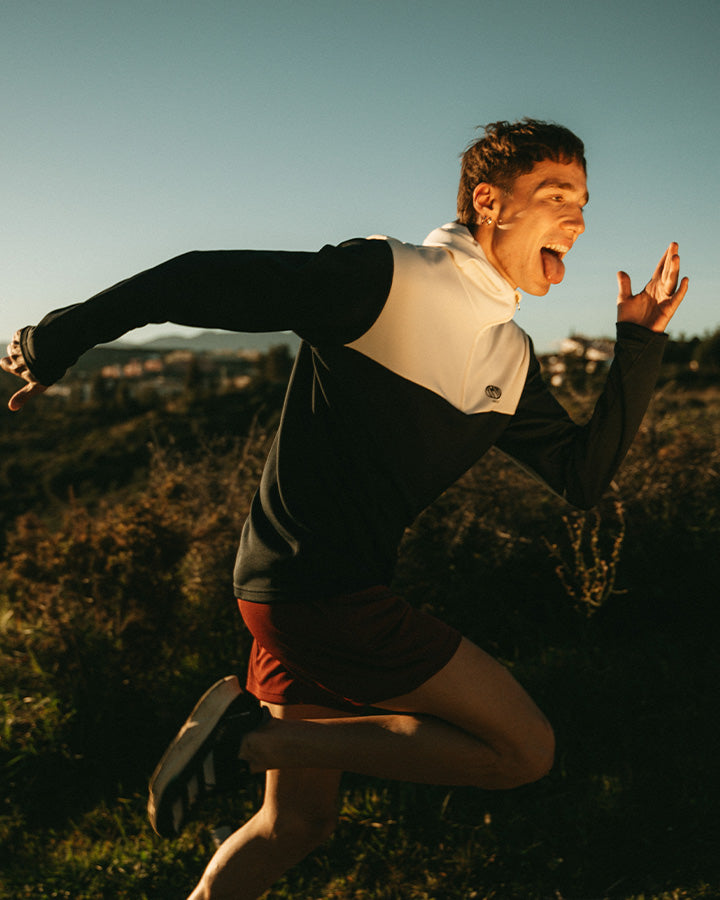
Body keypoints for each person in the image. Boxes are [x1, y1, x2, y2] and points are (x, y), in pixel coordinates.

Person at [1, 119, 688, 900]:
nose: (578, 218)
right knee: (522, 751)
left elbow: (582, 474)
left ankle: (253, 753)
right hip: (323, 599)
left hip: (293, 598)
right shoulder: (386, 278)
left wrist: (640, 345)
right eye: (556, 196)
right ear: (489, 202)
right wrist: (61, 338)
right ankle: (251, 744)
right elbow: (192, 277)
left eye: (585, 203)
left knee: (295, 825)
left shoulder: (509, 356)